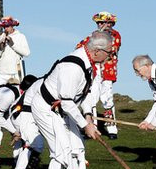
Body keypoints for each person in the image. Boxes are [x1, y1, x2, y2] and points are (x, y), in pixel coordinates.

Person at [30, 30, 113, 169]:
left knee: (77, 148)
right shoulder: (73, 67)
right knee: (62, 152)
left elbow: (85, 92)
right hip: (46, 108)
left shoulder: (90, 64)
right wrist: (86, 126)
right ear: (97, 51)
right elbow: (67, 101)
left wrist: (88, 116)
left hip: (62, 110)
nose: (110, 56)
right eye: (109, 52)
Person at [76, 11, 122, 139]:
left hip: (107, 70)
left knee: (107, 98)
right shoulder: (93, 35)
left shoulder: (115, 35)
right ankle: (93, 126)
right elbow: (80, 46)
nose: (100, 24)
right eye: (99, 22)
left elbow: (113, 48)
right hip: (95, 69)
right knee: (92, 96)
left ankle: (112, 128)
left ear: (110, 23)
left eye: (102, 22)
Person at [0, 15, 30, 86]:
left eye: (7, 26)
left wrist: (13, 45)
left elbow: (27, 53)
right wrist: (0, 49)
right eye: (4, 27)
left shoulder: (21, 37)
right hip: (1, 73)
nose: (5, 28)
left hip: (14, 72)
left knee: (15, 95)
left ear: (12, 26)